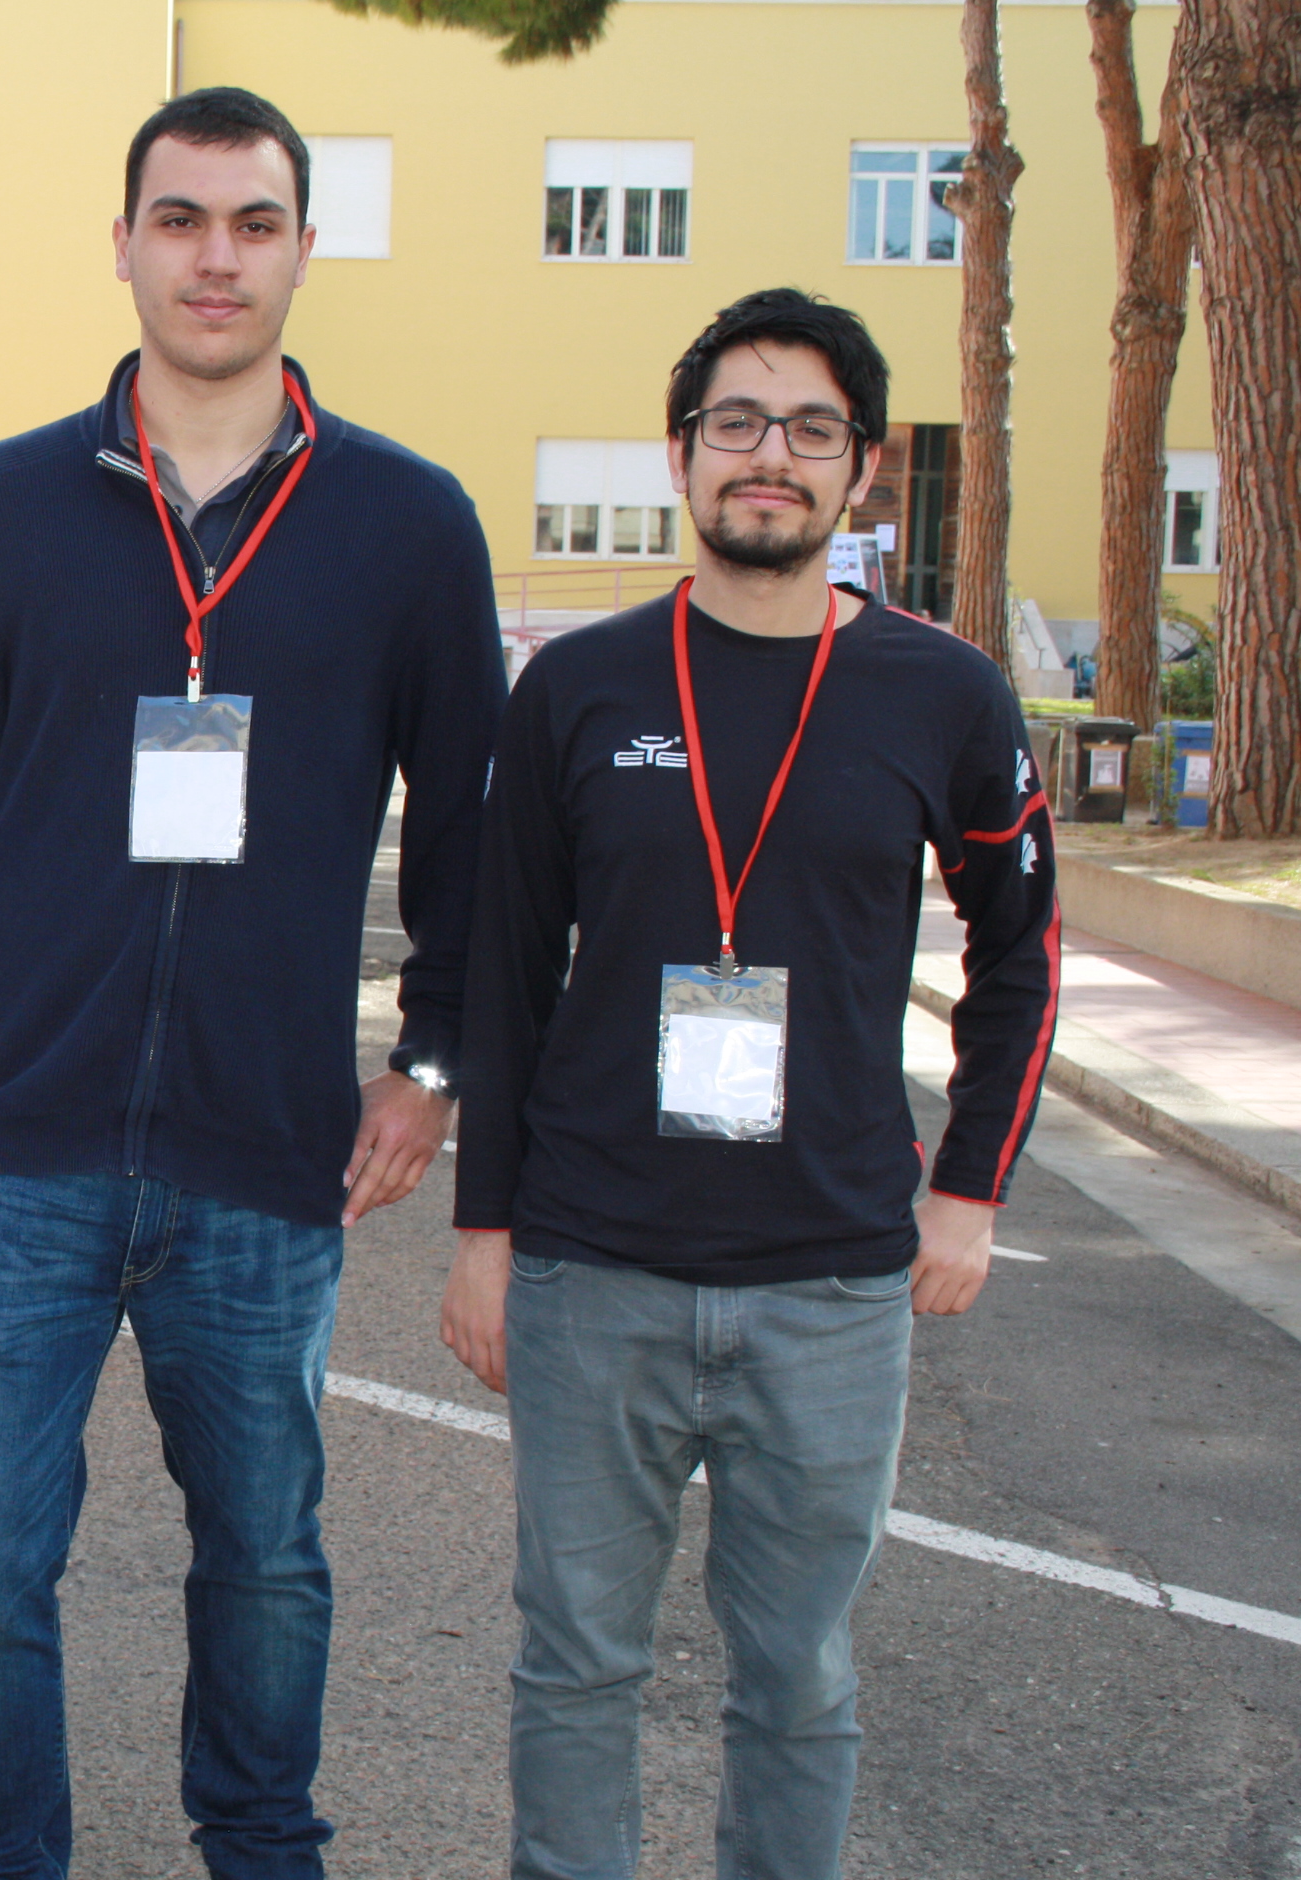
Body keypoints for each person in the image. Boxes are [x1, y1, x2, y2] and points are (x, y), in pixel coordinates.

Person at [0, 88, 505, 1880]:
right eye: (183, 219)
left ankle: (262, 1849)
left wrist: (436, 1057)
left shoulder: (409, 524)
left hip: (267, 1154)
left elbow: (473, 833)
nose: (218, 258)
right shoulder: (1, 508)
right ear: (124, 244)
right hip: (16, 1144)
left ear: (303, 250)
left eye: (255, 222)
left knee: (266, 1559)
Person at [443, 288, 1060, 1880]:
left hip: (834, 1281)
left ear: (864, 468)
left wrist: (971, 1189)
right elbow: (505, 974)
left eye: (809, 428)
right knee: (576, 1664)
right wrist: (484, 1236)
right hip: (594, 1266)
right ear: (680, 455)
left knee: (798, 1683)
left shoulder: (946, 695)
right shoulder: (577, 688)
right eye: (735, 423)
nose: (768, 456)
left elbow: (1022, 950)